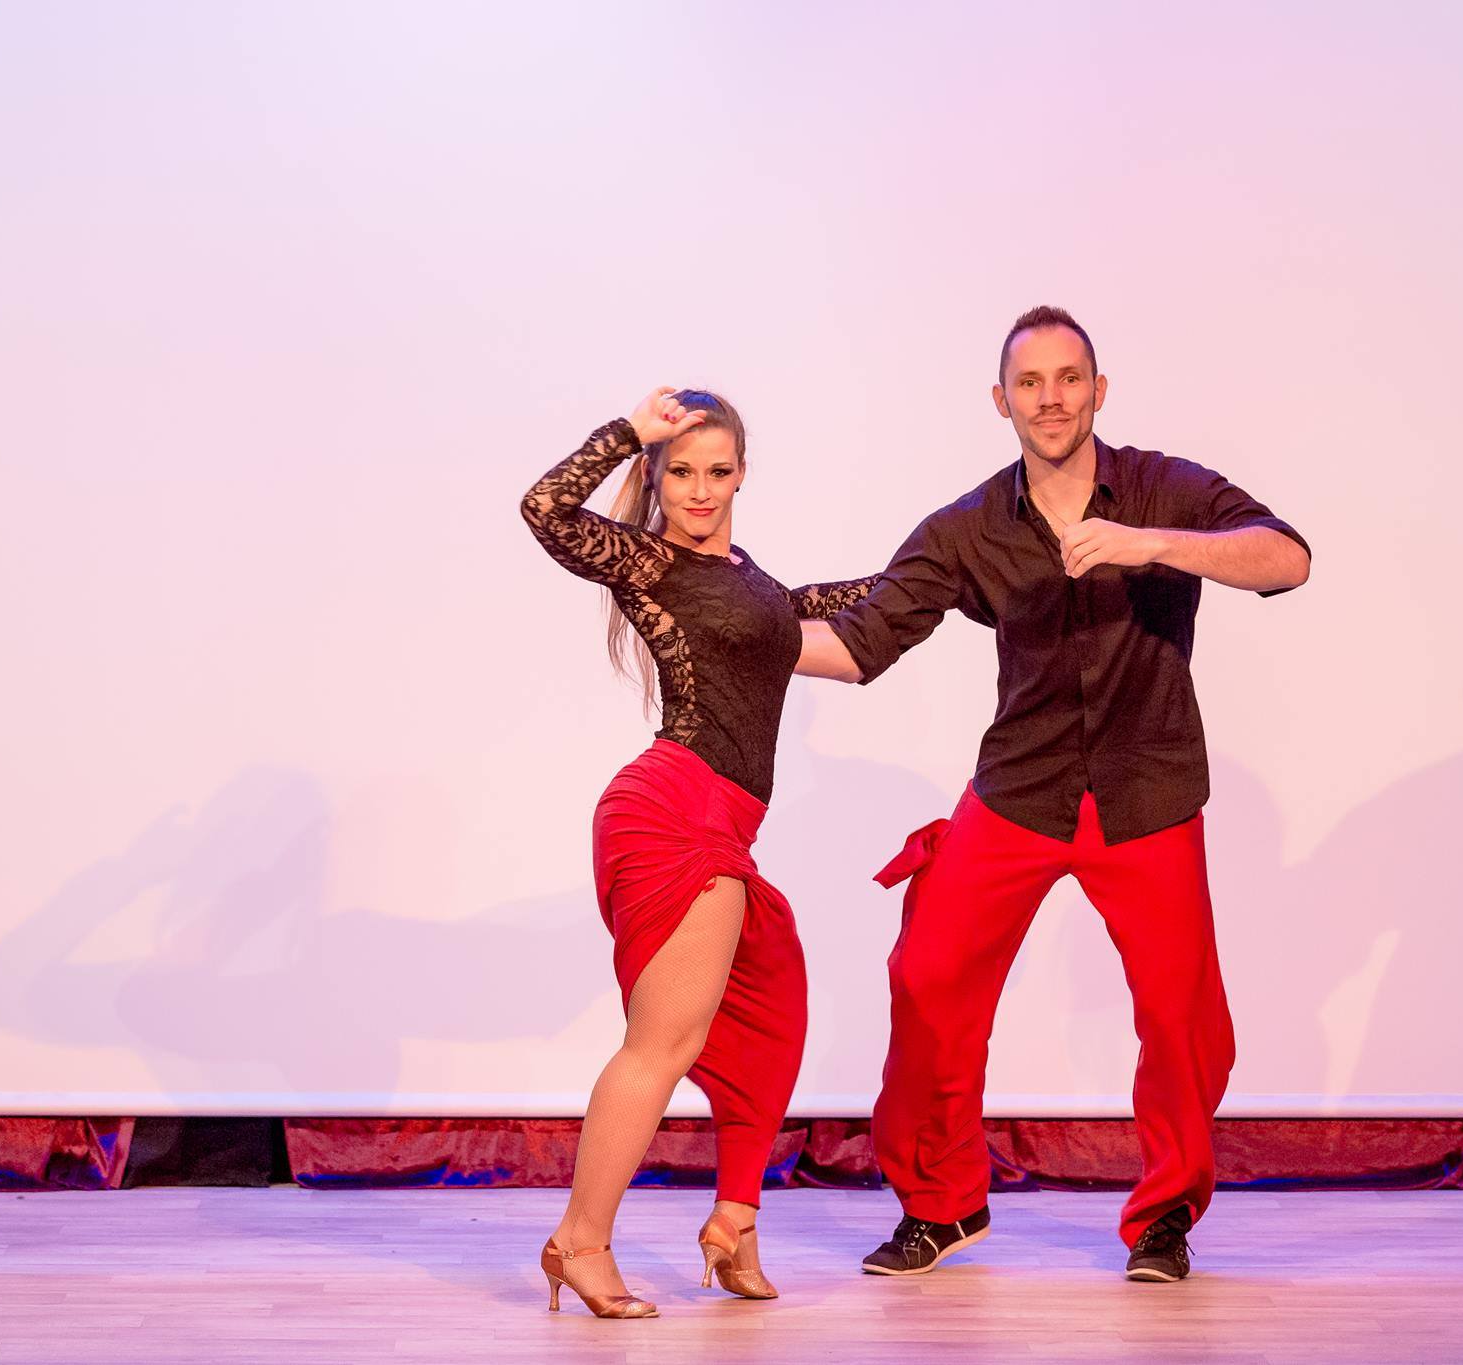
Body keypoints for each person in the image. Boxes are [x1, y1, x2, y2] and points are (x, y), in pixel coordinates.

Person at [802, 306, 1311, 1282]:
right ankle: (942, 1205)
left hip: (1147, 788)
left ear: (1097, 390)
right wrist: (742, 638)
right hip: (1020, 789)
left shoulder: (1163, 488)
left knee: (1180, 1017)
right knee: (927, 976)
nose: (1050, 398)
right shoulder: (967, 527)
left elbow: (1285, 557)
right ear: (1001, 401)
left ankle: (1164, 1217)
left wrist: (1150, 545)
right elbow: (863, 643)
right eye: (1029, 383)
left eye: (1068, 378)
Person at [519, 387, 877, 1318]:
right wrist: (626, 433)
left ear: (743, 474)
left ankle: (735, 1222)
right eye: (679, 472)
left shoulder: (749, 577)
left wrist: (936, 574)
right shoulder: (650, 561)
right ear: (657, 477)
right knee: (665, 1042)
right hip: (673, 808)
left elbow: (806, 609)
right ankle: (578, 1240)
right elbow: (545, 510)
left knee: (773, 1013)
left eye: (718, 471)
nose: (700, 490)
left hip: (722, 820)